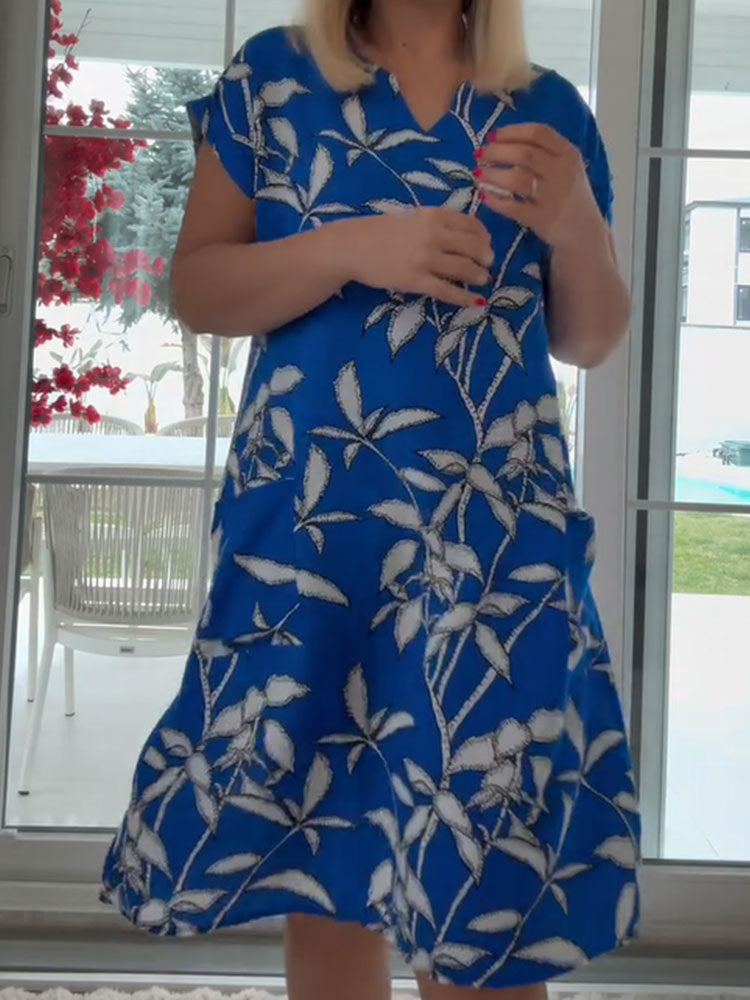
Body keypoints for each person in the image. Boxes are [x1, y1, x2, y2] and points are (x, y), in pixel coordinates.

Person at [98, 1, 643, 997]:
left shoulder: (547, 109)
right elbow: (200, 290)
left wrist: (574, 226)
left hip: (491, 548)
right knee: (328, 858)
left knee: (488, 877)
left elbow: (590, 337)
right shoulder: (271, 78)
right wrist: (350, 248)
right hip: (314, 532)